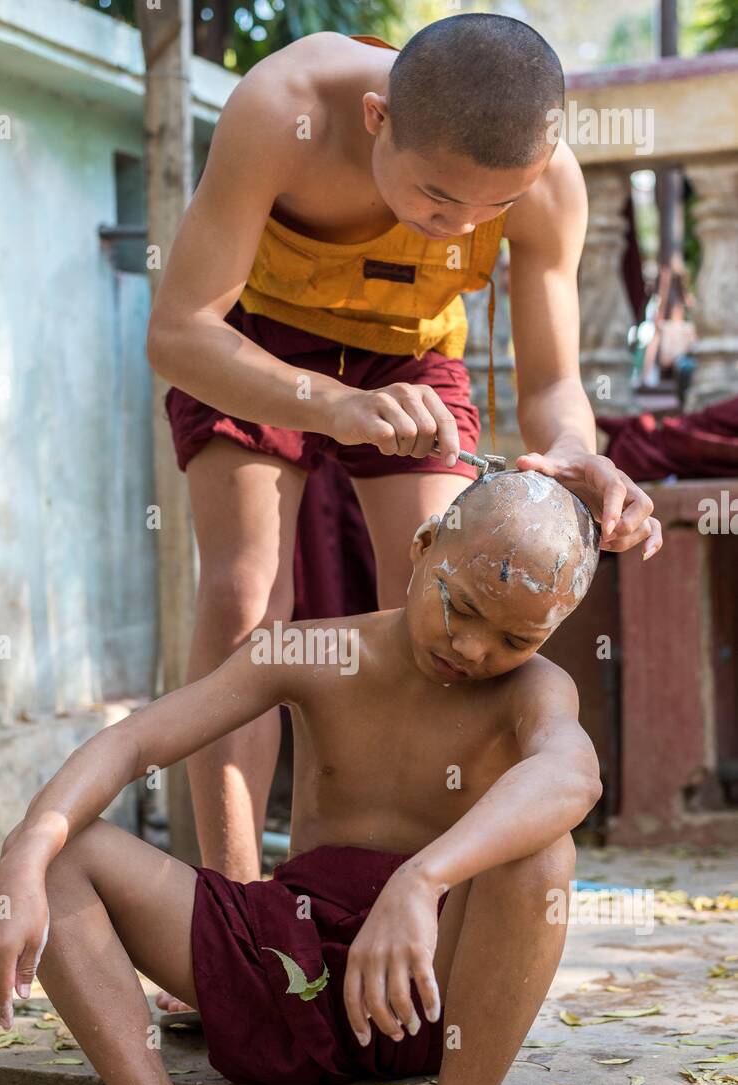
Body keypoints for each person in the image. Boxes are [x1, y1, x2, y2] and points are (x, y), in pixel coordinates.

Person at [0, 471, 604, 1085]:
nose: (475, 648)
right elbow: (134, 744)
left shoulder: (533, 691)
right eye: (459, 606)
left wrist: (421, 880)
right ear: (422, 549)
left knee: (542, 856)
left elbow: (573, 776)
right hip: (284, 955)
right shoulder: (317, 649)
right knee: (62, 855)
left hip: (425, 984)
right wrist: (25, 852)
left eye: (514, 638)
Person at [147, 13, 661, 889]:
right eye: (436, 198)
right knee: (245, 598)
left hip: (410, 353)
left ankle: (400, 893)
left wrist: (576, 450)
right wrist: (337, 407)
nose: (457, 227)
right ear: (378, 119)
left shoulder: (547, 185)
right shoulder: (285, 104)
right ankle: (231, 914)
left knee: (443, 602)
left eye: (490, 208)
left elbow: (548, 385)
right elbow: (179, 333)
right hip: (254, 342)